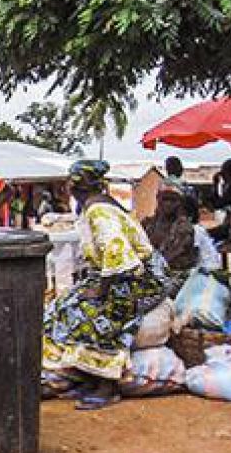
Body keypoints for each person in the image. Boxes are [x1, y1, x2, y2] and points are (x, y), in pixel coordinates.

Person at [42, 160, 166, 411]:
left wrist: (100, 290)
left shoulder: (100, 211)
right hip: (121, 273)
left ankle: (107, 386)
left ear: (76, 187)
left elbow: (117, 255)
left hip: (140, 278)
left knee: (94, 313)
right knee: (61, 307)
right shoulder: (96, 207)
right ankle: (86, 376)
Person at [140, 190, 199, 296]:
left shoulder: (184, 227)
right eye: (165, 199)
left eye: (173, 200)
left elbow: (175, 253)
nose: (168, 204)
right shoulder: (148, 224)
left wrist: (154, 270)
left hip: (177, 275)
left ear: (179, 203)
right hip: (152, 274)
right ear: (158, 200)